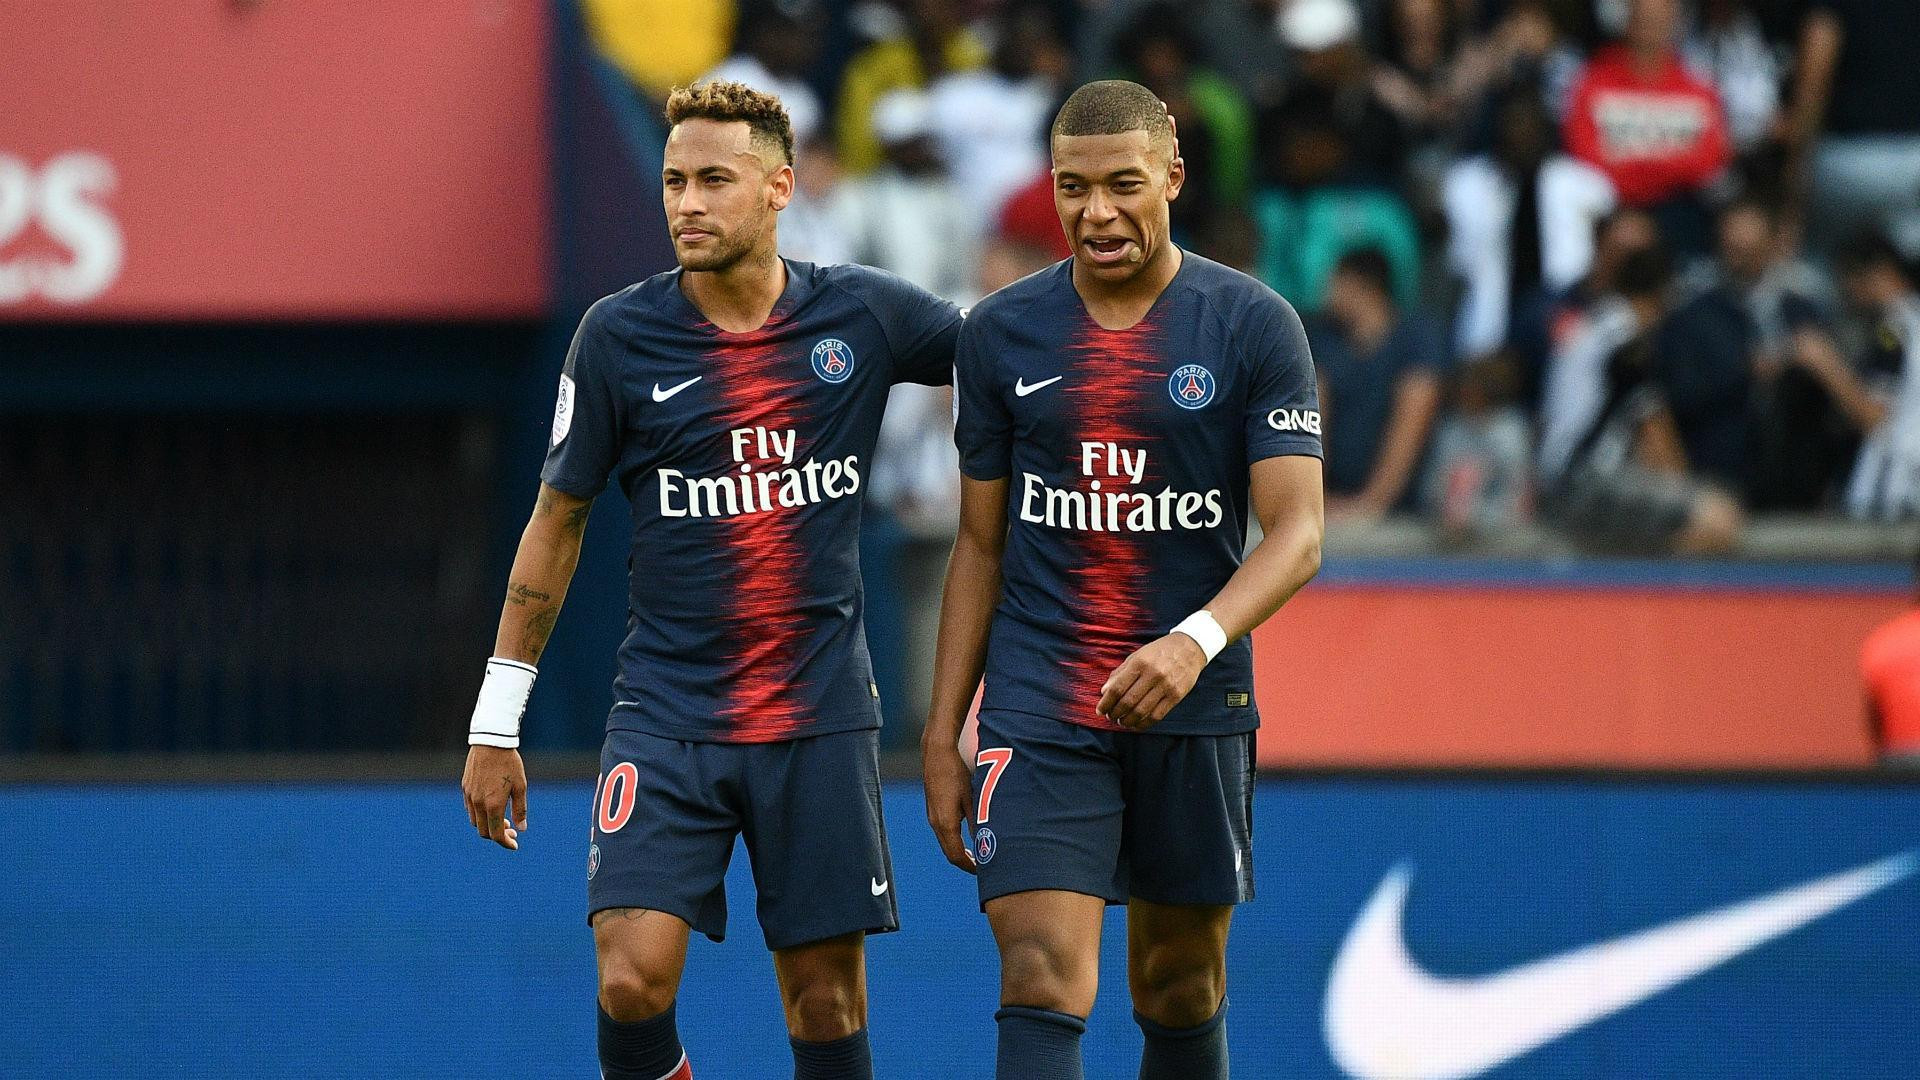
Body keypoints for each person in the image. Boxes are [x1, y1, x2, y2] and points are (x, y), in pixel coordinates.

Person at [458, 81, 962, 1080]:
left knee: (823, 1001)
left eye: (714, 181)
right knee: (629, 980)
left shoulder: (859, 314)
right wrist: (494, 717)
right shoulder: (619, 337)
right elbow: (555, 524)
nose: (687, 202)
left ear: (778, 188)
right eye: (674, 180)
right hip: (667, 710)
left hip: (817, 714)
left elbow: (1017, 359)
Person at [924, 80, 1325, 1080]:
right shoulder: (1001, 335)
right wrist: (941, 733)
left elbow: (1298, 532)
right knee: (1042, 969)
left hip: (1193, 698)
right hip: (1043, 700)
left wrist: (1194, 641)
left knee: (1180, 983)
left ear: (1174, 179)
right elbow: (979, 545)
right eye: (1072, 188)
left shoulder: (1251, 326)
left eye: (1122, 185)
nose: (1095, 212)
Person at [1310, 248, 1447, 521]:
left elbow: (1413, 419)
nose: (1325, 291)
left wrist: (1370, 505)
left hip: (1405, 513)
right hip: (1333, 503)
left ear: (1362, 285)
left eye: (1335, 281)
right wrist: (1314, 501)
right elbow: (1312, 421)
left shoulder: (1416, 339)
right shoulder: (1325, 340)